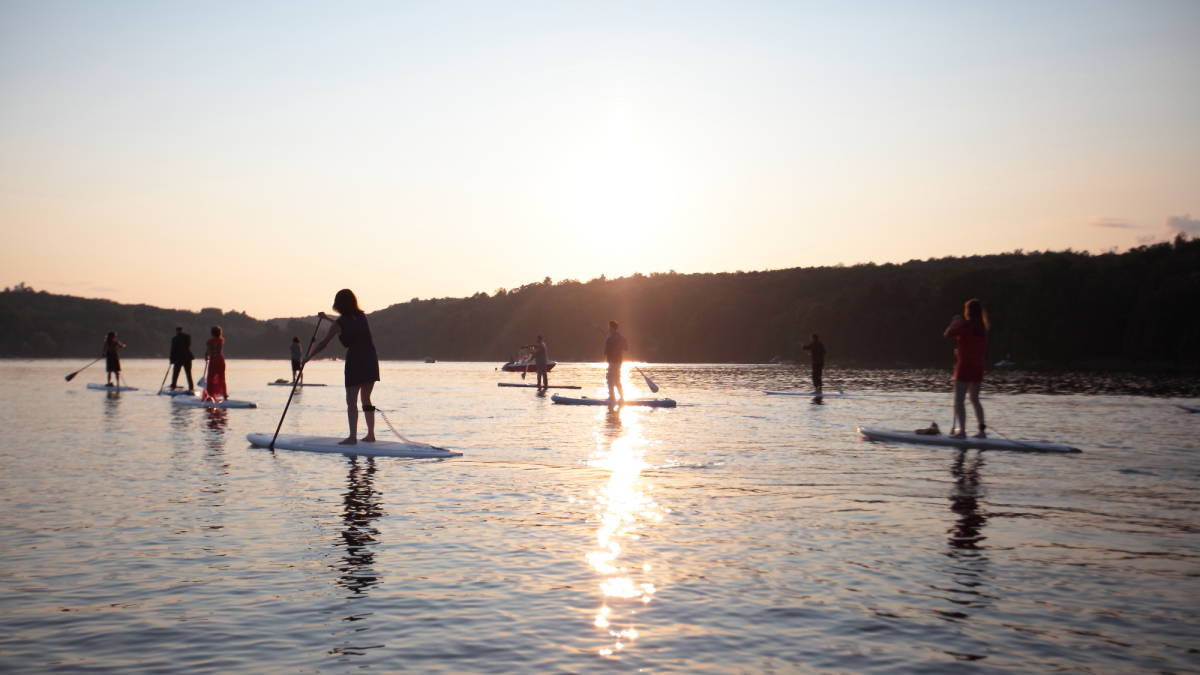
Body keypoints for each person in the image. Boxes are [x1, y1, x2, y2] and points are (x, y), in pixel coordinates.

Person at [307, 289, 381, 445]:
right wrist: (326, 318)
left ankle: (352, 437)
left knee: (351, 401)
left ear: (338, 304)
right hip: (370, 358)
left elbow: (324, 342)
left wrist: (308, 357)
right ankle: (371, 435)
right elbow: (344, 324)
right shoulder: (362, 317)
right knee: (366, 398)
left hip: (356, 360)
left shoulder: (340, 323)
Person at [944, 298, 989, 439]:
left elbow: (947, 334)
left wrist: (955, 322)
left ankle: (962, 431)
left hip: (964, 367)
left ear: (968, 312)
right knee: (975, 399)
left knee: (959, 400)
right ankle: (982, 431)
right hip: (977, 367)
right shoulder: (982, 328)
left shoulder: (964, 326)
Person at [604, 320, 628, 402]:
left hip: (613, 361)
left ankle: (612, 397)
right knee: (617, 379)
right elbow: (626, 348)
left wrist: (611, 343)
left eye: (609, 327)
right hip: (619, 361)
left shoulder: (610, 338)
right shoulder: (621, 337)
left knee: (610, 379)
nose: (608, 328)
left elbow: (605, 352)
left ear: (612, 327)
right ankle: (621, 397)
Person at [203, 325, 228, 402]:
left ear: (212, 333)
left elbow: (209, 351)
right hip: (220, 360)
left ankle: (210, 395)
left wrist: (206, 356)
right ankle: (224, 395)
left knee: (210, 377)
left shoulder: (209, 341)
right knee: (221, 377)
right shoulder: (221, 340)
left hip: (213, 360)